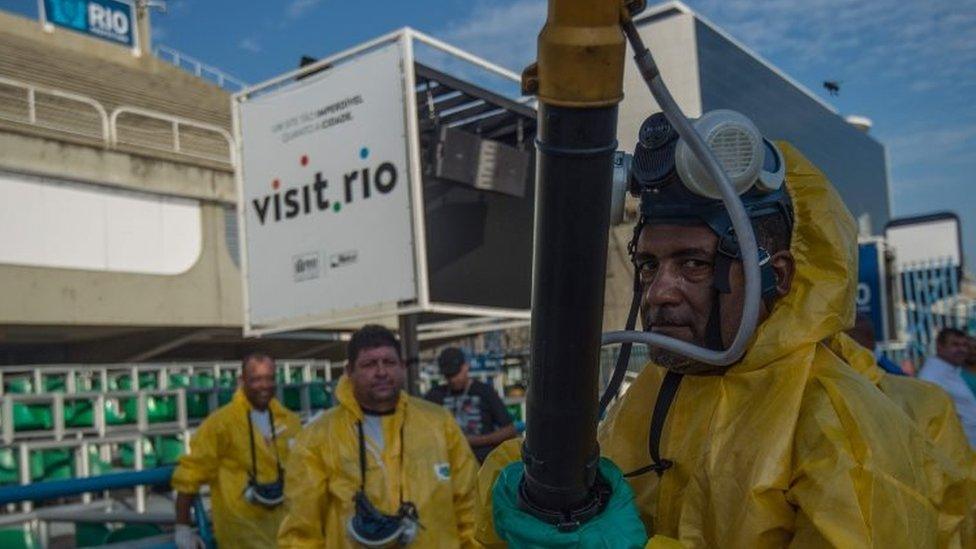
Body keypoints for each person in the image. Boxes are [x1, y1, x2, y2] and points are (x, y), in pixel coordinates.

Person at [477, 118, 957, 547]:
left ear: (779, 276)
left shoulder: (842, 431)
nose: (658, 292)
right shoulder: (656, 395)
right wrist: (528, 489)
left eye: (694, 264)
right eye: (648, 264)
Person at [277, 325, 478, 548]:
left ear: (402, 367)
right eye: (369, 364)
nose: (381, 372)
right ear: (349, 371)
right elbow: (301, 529)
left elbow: (470, 508)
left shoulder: (439, 424)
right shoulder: (318, 437)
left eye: (389, 362)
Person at [171, 352, 301, 549]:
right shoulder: (221, 423)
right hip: (241, 538)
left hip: (285, 536)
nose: (264, 385)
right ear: (242, 381)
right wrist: (183, 528)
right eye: (256, 379)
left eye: (269, 378)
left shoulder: (289, 421)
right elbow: (190, 475)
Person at [425, 347, 517, 462]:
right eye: (448, 376)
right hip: (449, 465)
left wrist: (477, 440)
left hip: (481, 463)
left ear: (466, 367)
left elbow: (510, 430)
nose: (453, 380)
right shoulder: (435, 395)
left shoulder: (484, 391)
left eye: (456, 373)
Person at [919, 327, 976, 447]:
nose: (962, 349)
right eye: (955, 344)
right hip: (957, 451)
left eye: (964, 345)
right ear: (939, 346)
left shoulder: (950, 371)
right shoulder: (931, 377)